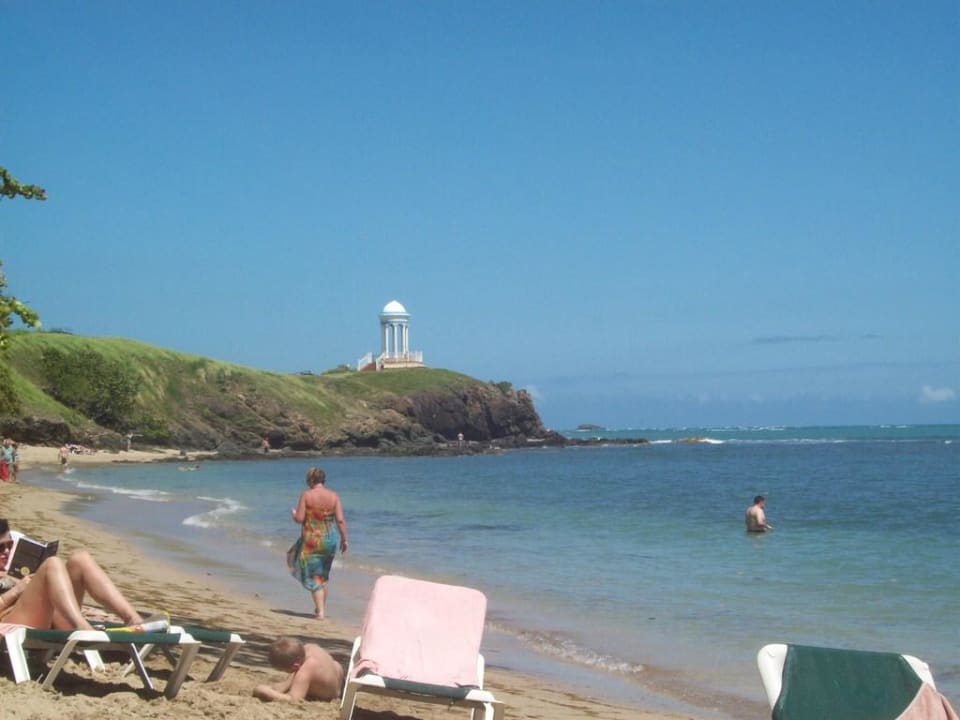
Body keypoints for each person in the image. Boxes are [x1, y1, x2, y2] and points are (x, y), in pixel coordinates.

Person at [0, 518, 146, 629]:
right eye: (1, 547)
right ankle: (83, 628)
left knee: (80, 559)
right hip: (10, 623)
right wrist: (18, 590)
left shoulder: (8, 570)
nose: (7, 552)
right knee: (53, 564)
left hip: (48, 618)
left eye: (10, 545)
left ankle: (133, 619)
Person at [287, 467, 348, 620]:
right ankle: (319, 608)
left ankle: (320, 612)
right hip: (330, 539)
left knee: (315, 576)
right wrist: (344, 539)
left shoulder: (306, 495)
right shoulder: (334, 496)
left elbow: (300, 519)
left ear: (311, 480)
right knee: (323, 576)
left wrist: (294, 515)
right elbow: (340, 520)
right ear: (323, 479)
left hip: (312, 540)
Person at [252, 636, 344, 702]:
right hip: (338, 678)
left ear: (296, 666)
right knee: (335, 665)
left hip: (332, 694)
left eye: (284, 670)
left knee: (302, 676)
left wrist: (265, 691)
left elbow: (294, 699)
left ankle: (284, 686)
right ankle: (284, 685)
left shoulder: (305, 670)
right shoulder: (309, 647)